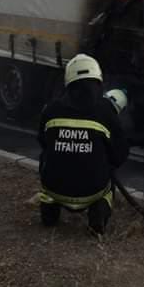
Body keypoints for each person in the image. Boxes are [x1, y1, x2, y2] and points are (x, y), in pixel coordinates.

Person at [37, 53, 129, 235]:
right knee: (108, 185)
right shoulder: (106, 111)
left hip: (54, 187)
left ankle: (49, 210)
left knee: (46, 160)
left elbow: (42, 141)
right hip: (92, 191)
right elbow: (120, 152)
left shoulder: (51, 109)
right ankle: (99, 212)